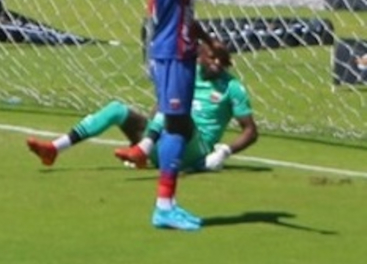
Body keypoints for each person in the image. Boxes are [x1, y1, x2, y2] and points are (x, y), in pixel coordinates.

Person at [144, 0, 247, 231]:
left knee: (180, 126)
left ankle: (168, 203)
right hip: (171, 56)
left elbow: (183, 15)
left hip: (184, 53)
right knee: (176, 126)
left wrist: (207, 40)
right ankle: (163, 205)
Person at [26, 50, 258, 172]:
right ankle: (55, 149)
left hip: (196, 149)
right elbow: (159, 107)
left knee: (176, 107)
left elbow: (250, 131)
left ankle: (142, 151)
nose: (216, 62)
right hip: (164, 138)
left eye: (221, 59)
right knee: (117, 109)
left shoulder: (232, 87)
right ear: (200, 56)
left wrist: (224, 151)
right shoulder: (188, 73)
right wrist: (151, 132)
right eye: (211, 57)